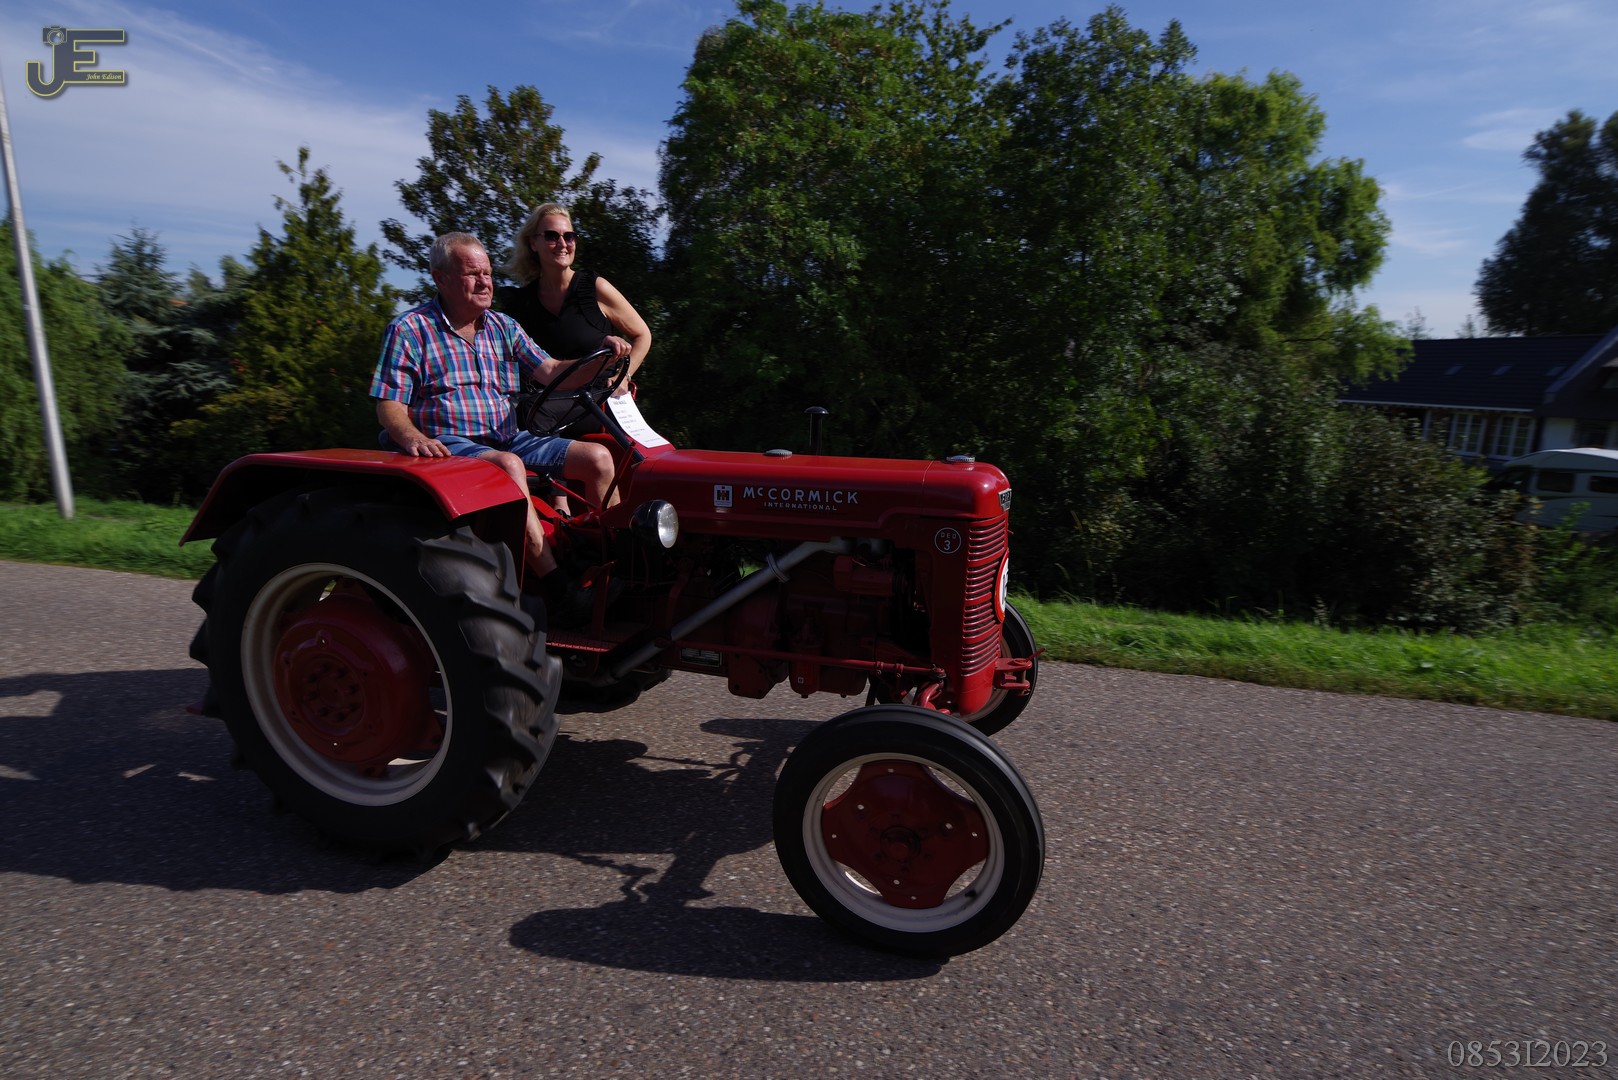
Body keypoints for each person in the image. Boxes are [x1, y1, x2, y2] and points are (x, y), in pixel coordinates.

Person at [370, 231, 630, 624]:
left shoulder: (502, 327)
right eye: (473, 274)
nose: (485, 282)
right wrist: (412, 437)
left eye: (488, 273)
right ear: (441, 278)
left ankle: (613, 566)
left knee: (598, 457)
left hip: (508, 437)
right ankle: (558, 588)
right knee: (508, 465)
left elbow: (552, 371)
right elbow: (389, 404)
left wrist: (602, 360)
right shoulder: (410, 330)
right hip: (449, 443)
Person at [498, 202, 652, 394]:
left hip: (602, 403)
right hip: (547, 409)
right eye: (552, 236)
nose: (563, 244)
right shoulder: (520, 305)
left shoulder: (595, 288)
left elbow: (643, 335)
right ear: (533, 243)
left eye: (569, 236)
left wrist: (623, 377)